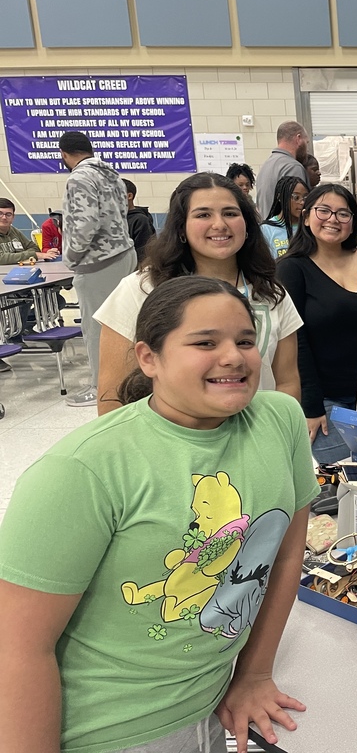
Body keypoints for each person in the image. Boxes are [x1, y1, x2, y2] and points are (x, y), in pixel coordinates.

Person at [0, 276, 319, 752]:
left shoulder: (279, 421)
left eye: (245, 340)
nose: (233, 356)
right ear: (149, 357)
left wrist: (254, 672)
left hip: (211, 705)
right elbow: (18, 648)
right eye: (205, 342)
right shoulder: (84, 470)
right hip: (111, 730)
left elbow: (287, 555)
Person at [95, 172, 302, 416]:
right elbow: (112, 395)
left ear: (246, 225)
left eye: (230, 213)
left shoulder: (271, 293)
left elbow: (287, 382)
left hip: (253, 438)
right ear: (181, 228)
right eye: (203, 214)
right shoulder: (141, 289)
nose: (220, 224)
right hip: (170, 441)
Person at [278, 183, 357, 464]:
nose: (333, 219)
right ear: (306, 216)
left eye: (343, 214)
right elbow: (296, 340)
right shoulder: (292, 268)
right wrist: (311, 405)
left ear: (354, 222)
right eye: (323, 210)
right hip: (326, 400)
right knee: (340, 489)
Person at [58, 131, 138, 407]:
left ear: (64, 155)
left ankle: (100, 386)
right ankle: (132, 380)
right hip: (124, 254)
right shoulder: (112, 174)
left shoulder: (79, 177)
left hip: (98, 263)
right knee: (127, 322)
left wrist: (71, 257)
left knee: (97, 327)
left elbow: (85, 224)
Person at [255, 122, 309, 218]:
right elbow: (297, 212)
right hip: (288, 231)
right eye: (306, 142)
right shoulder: (293, 167)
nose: (307, 149)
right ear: (298, 138)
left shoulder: (266, 165)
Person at [261, 176, 309, 259]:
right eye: (296, 197)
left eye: (305, 197)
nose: (302, 202)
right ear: (280, 197)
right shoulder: (266, 229)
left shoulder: (309, 226)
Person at [0, 197, 58, 264]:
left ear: (13, 217)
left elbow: (35, 248)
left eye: (8, 214)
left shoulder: (14, 231)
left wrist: (20, 256)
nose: (4, 217)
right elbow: (1, 258)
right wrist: (33, 255)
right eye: (0, 213)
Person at [123, 178, 157, 263]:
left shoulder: (140, 220)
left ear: (129, 196)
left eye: (115, 193)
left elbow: (144, 257)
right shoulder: (113, 219)